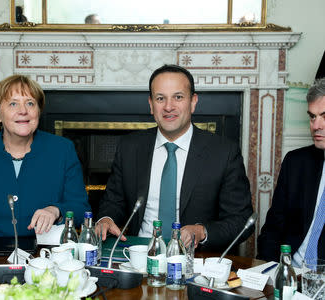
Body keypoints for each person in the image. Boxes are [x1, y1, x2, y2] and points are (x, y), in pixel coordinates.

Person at [96, 64, 253, 252]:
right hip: (138, 254)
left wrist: (202, 231)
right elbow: (113, 201)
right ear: (151, 105)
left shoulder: (223, 152)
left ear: (193, 102)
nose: (169, 107)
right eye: (160, 98)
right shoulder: (130, 147)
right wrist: (106, 219)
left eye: (178, 97)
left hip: (194, 260)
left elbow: (242, 220)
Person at [0, 75, 91, 237]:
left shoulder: (63, 149)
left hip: (44, 254)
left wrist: (55, 210)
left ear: (38, 111)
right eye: (13, 103)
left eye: (30, 103)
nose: (23, 111)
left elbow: (81, 209)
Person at [257, 78, 325, 265]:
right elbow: (273, 228)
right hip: (289, 273)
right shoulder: (296, 162)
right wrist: (268, 272)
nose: (316, 126)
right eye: (312, 116)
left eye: (324, 116)